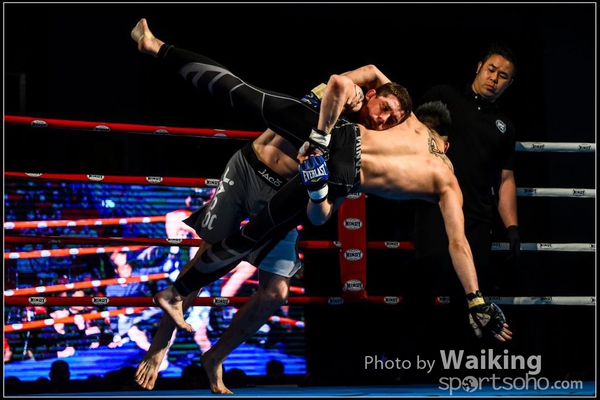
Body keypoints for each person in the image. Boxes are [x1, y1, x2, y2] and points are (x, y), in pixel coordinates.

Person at [145, 36, 514, 355]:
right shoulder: (447, 179)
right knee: (252, 236)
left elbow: (366, 75)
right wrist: (475, 298)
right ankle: (176, 291)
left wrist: (325, 127)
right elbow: (458, 244)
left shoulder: (411, 121)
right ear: (447, 145)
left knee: (242, 93)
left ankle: (156, 46)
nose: (387, 121)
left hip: (337, 142)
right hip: (340, 176)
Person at [131, 18, 408, 394]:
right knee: (208, 257)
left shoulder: (361, 151)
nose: (384, 120)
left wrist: (317, 191)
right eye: (385, 108)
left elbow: (325, 212)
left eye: (394, 120)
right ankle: (158, 347)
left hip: (283, 202)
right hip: (250, 170)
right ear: (372, 95)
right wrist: (411, 122)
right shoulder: (339, 99)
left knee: (276, 292)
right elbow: (368, 71)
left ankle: (215, 357)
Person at [413, 42, 521, 297]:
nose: (494, 78)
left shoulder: (504, 126)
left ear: (509, 83)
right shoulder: (444, 96)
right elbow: (409, 132)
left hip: (477, 218)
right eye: (491, 69)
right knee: (424, 285)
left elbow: (505, 178)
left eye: (502, 75)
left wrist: (512, 227)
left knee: (469, 296)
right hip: (435, 207)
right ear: (479, 67)